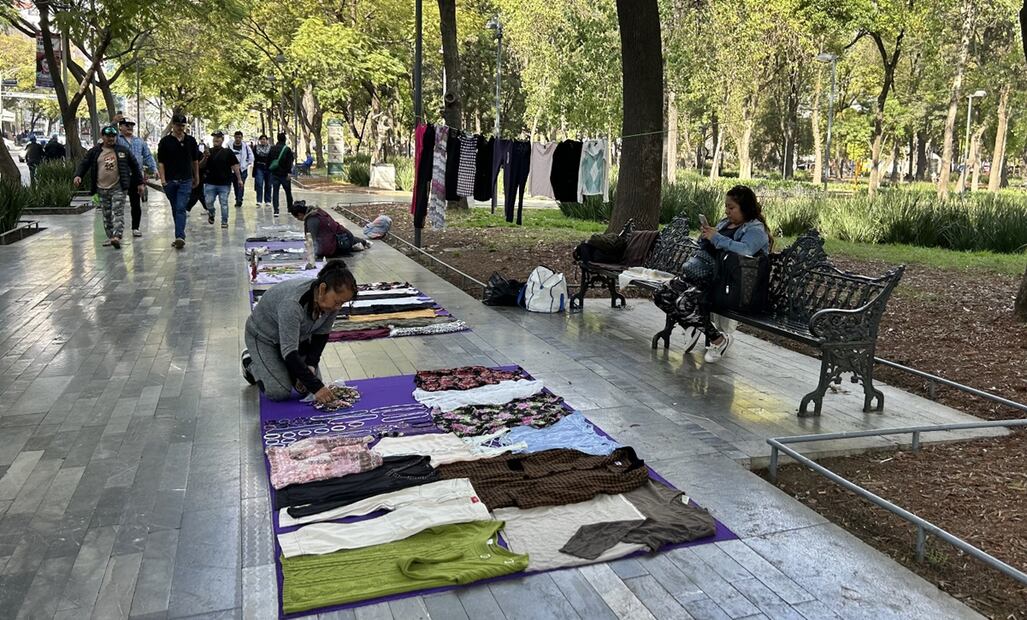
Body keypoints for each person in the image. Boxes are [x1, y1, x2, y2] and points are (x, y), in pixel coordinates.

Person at [655, 185, 771, 363]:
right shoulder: (725, 223)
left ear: (746, 208)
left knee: (684, 303)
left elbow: (746, 250)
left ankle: (718, 339)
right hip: (703, 275)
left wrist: (716, 238)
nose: (727, 211)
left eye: (731, 207)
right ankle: (692, 323)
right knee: (662, 294)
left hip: (726, 284)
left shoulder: (755, 229)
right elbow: (712, 247)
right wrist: (705, 237)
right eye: (726, 206)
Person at [241, 260, 357, 403]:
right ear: (322, 289)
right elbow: (289, 352)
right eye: (337, 301)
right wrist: (316, 387)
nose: (338, 307)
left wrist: (311, 365)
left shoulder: (331, 304)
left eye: (342, 303)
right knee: (279, 392)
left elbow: (321, 336)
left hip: (296, 338)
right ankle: (250, 363)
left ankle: (279, 367)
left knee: (306, 388)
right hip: (264, 338)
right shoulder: (292, 305)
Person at [73, 125, 144, 249]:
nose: (111, 139)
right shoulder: (94, 151)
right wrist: (78, 175)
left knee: (118, 211)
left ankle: (117, 236)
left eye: (113, 136)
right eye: (108, 136)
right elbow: (84, 164)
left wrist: (140, 183)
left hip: (119, 186)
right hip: (101, 187)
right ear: (103, 137)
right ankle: (111, 237)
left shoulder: (123, 150)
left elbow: (135, 166)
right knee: (106, 214)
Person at [157, 113, 201, 249]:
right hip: (170, 181)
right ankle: (179, 235)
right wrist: (163, 180)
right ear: (172, 125)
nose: (180, 128)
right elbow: (161, 162)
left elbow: (195, 160)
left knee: (181, 207)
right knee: (175, 208)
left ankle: (180, 236)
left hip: (186, 180)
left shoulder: (191, 141)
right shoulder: (165, 142)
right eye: (177, 125)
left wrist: (196, 176)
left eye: (182, 125)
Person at [116, 119, 156, 237]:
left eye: (132, 125)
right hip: (120, 176)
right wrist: (113, 122)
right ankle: (117, 231)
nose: (130, 127)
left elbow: (147, 155)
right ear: (120, 127)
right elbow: (105, 136)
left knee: (136, 203)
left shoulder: (139, 141)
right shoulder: (116, 140)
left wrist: (154, 168)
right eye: (126, 125)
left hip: (136, 176)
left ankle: (135, 228)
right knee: (118, 204)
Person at [288, 201, 371, 258]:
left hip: (342, 242)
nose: (298, 219)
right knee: (353, 240)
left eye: (297, 217)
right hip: (345, 235)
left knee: (351, 241)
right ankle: (364, 242)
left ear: (299, 214)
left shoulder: (312, 220)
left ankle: (364, 242)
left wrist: (311, 255)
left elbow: (311, 241)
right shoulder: (317, 212)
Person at [200, 131, 243, 228]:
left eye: (218, 137)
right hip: (210, 182)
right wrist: (205, 157)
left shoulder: (228, 152)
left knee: (224, 202)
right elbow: (200, 166)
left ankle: (224, 222)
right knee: (208, 202)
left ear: (222, 140)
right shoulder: (208, 151)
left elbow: (235, 166)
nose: (216, 139)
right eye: (214, 137)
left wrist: (239, 179)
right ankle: (211, 213)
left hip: (224, 183)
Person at [268, 132, 295, 217]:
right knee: (288, 192)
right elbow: (289, 162)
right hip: (284, 174)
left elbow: (268, 160)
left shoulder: (272, 148)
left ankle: (276, 210)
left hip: (275, 173)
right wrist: (289, 172)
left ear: (277, 138)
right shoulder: (287, 149)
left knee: (275, 192)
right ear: (285, 139)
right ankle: (290, 208)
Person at [227, 130, 253, 207]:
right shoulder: (229, 146)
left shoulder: (246, 146)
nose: (238, 139)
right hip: (233, 169)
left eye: (239, 137)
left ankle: (239, 199)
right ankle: (237, 198)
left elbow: (251, 156)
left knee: (241, 184)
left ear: (242, 138)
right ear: (234, 137)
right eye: (236, 137)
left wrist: (246, 164)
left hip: (243, 169)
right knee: (235, 185)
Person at [252, 134, 272, 207]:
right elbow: (252, 157)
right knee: (259, 184)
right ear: (259, 140)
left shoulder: (271, 148)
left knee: (268, 185)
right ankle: (259, 200)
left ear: (267, 140)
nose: (263, 140)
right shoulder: (256, 148)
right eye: (261, 139)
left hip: (269, 168)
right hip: (259, 167)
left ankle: (268, 200)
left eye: (264, 139)